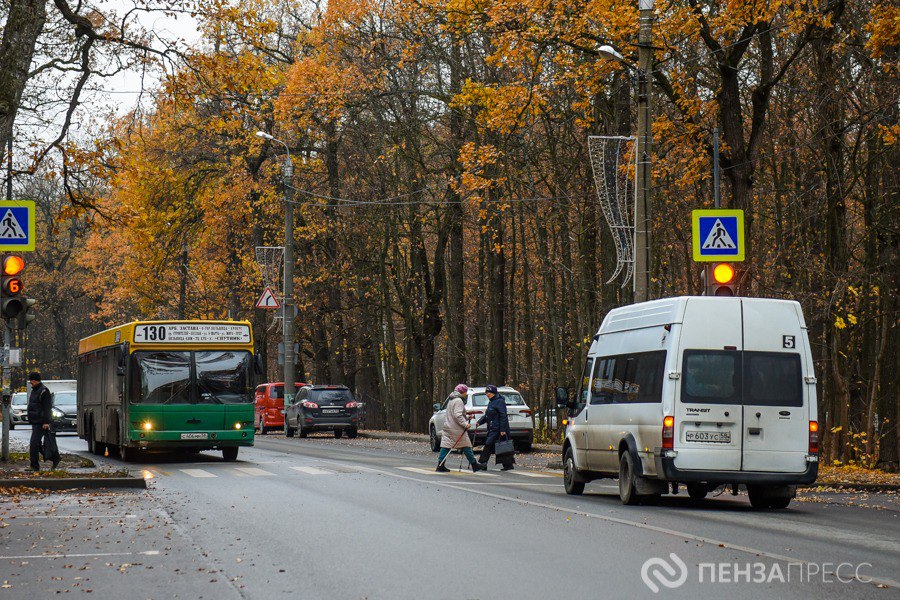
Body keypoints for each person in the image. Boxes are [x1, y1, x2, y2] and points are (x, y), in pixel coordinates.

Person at [437, 384, 485, 472]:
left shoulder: (451, 400)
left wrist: (466, 417)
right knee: (466, 446)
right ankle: (474, 465)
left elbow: (454, 414)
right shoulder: (459, 400)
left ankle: (440, 465)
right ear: (462, 392)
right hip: (456, 428)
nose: (466, 394)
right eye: (465, 392)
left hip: (449, 426)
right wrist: (465, 424)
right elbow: (457, 415)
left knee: (446, 445)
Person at [476, 384, 514, 471]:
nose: (487, 394)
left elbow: (503, 415)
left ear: (493, 393)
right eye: (486, 392)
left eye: (488, 392)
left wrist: (503, 429)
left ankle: (482, 463)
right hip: (493, 427)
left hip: (498, 428)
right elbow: (488, 415)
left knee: (489, 445)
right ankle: (508, 465)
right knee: (502, 445)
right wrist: (479, 422)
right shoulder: (492, 402)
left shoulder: (499, 401)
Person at [27, 372, 59, 471]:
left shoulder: (43, 391)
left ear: (35, 380)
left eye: (31, 380)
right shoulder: (35, 390)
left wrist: (46, 422)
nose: (30, 382)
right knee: (37, 444)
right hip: (36, 421)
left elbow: (47, 408)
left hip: (41, 422)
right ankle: (55, 458)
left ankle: (35, 467)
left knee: (34, 444)